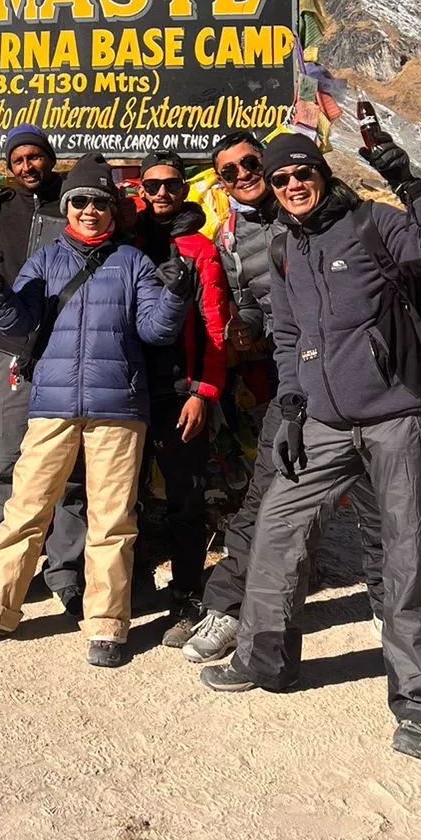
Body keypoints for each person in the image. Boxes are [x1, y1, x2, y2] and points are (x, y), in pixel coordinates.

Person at [200, 135, 421, 761]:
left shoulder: (373, 222)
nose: (292, 185)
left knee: (408, 556)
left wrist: (406, 181)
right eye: (281, 179)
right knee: (276, 530)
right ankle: (264, 660)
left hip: (396, 416)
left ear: (322, 174)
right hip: (321, 421)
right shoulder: (285, 245)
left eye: (302, 173)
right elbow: (289, 333)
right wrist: (293, 407)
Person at [0, 153, 190, 667]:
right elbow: (19, 324)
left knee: (112, 519)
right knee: (26, 507)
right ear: (67, 207)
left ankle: (106, 624)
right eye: (79, 201)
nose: (89, 210)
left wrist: (174, 295)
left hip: (118, 407)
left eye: (100, 202)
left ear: (113, 209)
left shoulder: (134, 263)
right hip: (52, 404)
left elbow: (155, 331)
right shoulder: (45, 260)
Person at [182, 129, 386, 665]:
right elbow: (251, 303)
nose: (243, 176)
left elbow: (394, 272)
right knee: (267, 494)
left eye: (251, 164)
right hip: (296, 379)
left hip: (365, 377)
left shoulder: (335, 214)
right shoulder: (233, 237)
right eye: (228, 172)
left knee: (377, 497)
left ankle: (390, 607)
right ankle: (230, 608)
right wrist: (246, 326)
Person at [0, 125, 85, 612]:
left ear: (50, 158)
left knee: (70, 468)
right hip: (12, 348)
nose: (27, 166)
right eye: (17, 160)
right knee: (3, 460)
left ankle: (65, 570)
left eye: (35, 157)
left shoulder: (76, 201)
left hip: (68, 348)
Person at [130, 148, 230, 647]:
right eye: (153, 185)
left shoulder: (200, 248)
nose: (162, 192)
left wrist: (203, 393)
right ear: (141, 190)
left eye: (171, 184)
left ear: (185, 189)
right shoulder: (127, 240)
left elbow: (215, 325)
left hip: (178, 390)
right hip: (126, 387)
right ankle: (133, 583)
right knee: (122, 494)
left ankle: (187, 593)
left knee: (185, 497)